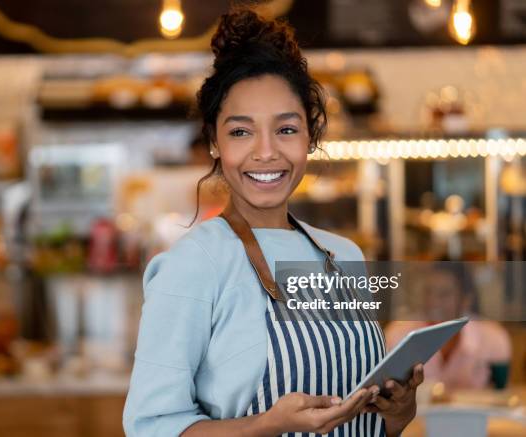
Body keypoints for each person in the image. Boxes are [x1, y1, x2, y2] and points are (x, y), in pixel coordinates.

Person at [124, 9, 423, 437]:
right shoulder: (194, 264)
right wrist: (264, 426)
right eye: (241, 132)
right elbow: (151, 429)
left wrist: (395, 417)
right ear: (213, 141)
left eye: (286, 129)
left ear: (311, 136)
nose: (266, 153)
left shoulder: (345, 255)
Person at [385, 262, 512, 390]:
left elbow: (501, 394)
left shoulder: (493, 338)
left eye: (444, 294)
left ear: (466, 300)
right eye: (428, 291)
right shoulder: (397, 335)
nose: (432, 302)